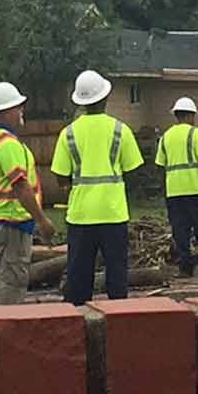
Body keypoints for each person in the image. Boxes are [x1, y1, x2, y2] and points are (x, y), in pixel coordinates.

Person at [51, 70, 144, 305]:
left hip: (81, 214)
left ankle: (79, 321)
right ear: (105, 98)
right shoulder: (120, 130)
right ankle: (118, 322)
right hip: (113, 212)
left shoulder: (68, 133)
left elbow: (60, 177)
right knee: (116, 273)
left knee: (78, 276)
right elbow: (133, 171)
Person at [0, 82, 56, 305]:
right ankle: (9, 334)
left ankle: (0, 332)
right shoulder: (6, 143)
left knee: (1, 283)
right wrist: (42, 221)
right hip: (10, 225)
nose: (21, 112)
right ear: (5, 112)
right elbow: (20, 186)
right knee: (11, 289)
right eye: (17, 107)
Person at [155, 97, 198, 277]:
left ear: (176, 115)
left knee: (180, 231)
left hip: (175, 193)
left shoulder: (165, 137)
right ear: (191, 115)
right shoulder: (195, 134)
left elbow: (161, 168)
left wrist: (165, 191)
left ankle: (185, 268)